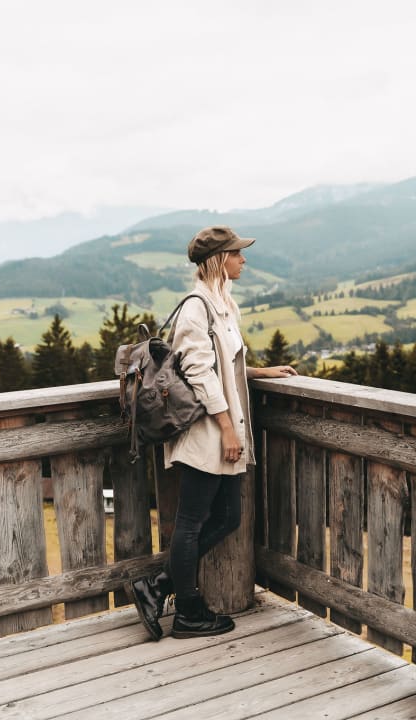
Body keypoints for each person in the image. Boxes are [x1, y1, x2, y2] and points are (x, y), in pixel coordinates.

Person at [127, 226, 297, 641]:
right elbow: (198, 371)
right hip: (206, 431)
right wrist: (227, 431)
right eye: (237, 254)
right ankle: (186, 612)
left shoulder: (222, 304)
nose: (244, 260)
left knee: (226, 516)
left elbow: (221, 363)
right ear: (219, 259)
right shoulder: (196, 308)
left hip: (221, 428)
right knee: (191, 522)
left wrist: (257, 372)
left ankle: (160, 587)